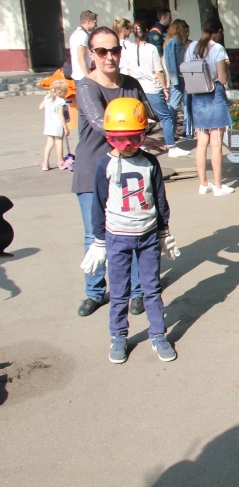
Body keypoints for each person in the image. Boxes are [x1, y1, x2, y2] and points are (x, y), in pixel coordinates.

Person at [81, 97, 180, 364]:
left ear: (143, 135)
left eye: (134, 139)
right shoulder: (105, 165)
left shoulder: (150, 163)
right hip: (117, 238)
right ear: (108, 137)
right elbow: (98, 204)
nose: (126, 146)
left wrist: (164, 232)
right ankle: (118, 337)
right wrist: (99, 241)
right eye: (118, 140)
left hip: (147, 236)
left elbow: (159, 199)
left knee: (151, 288)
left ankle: (158, 334)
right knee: (120, 291)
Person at [72, 26, 152, 317]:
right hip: (92, 168)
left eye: (115, 50)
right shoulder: (86, 86)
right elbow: (100, 123)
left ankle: (136, 290)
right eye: (102, 51)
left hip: (128, 167)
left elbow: (146, 116)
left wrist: (150, 134)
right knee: (95, 233)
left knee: (131, 230)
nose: (109, 57)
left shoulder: (130, 83)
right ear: (92, 54)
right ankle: (94, 291)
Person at [124, 21, 189, 158]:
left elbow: (128, 70)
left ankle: (140, 144)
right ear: (146, 31)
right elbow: (158, 71)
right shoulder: (151, 48)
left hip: (136, 87)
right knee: (165, 117)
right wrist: (164, 87)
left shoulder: (128, 49)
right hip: (152, 87)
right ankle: (171, 146)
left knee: (140, 118)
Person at [185, 18, 234, 196]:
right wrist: (226, 67)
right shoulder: (218, 49)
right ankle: (219, 186)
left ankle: (203, 183)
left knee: (201, 142)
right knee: (216, 143)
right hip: (214, 94)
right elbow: (222, 78)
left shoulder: (192, 47)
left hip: (197, 94)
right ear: (218, 31)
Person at [163, 19, 193, 139]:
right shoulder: (174, 43)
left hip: (181, 78)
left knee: (184, 104)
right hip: (180, 78)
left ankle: (186, 131)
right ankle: (173, 130)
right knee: (176, 106)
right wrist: (174, 79)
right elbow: (171, 62)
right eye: (185, 30)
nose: (187, 32)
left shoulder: (175, 43)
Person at [40, 79, 71, 171]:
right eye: (65, 92)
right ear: (60, 92)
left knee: (49, 143)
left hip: (48, 124)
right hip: (57, 125)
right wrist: (65, 127)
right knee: (59, 142)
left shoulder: (47, 98)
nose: (65, 94)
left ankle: (45, 163)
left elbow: (40, 107)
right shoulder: (61, 101)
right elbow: (61, 116)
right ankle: (60, 162)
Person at [68, 10, 98, 82]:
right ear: (89, 22)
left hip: (79, 75)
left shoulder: (76, 33)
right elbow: (80, 57)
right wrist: (88, 76)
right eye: (95, 22)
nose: (96, 25)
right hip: (82, 76)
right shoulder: (82, 35)